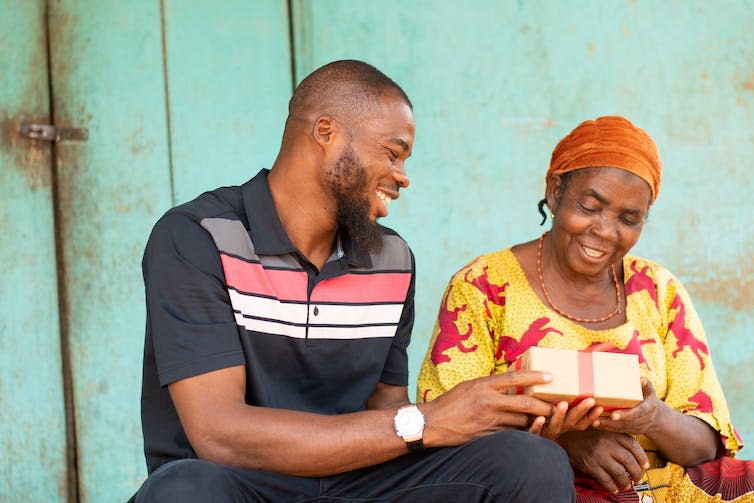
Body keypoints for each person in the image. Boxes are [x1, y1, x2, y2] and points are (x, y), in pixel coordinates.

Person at [131, 60, 577, 502]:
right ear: (326, 133)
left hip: (359, 483)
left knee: (529, 462)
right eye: (392, 152)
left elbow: (386, 411)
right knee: (184, 490)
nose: (403, 176)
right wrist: (430, 419)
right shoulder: (198, 237)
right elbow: (220, 434)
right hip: (242, 483)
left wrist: (496, 415)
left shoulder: (393, 258)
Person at [417, 115, 754, 502]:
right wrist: (566, 442)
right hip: (541, 487)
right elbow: (445, 429)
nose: (606, 231)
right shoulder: (483, 286)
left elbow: (705, 447)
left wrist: (652, 416)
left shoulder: (660, 291)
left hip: (658, 488)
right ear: (556, 190)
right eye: (590, 206)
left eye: (629, 219)